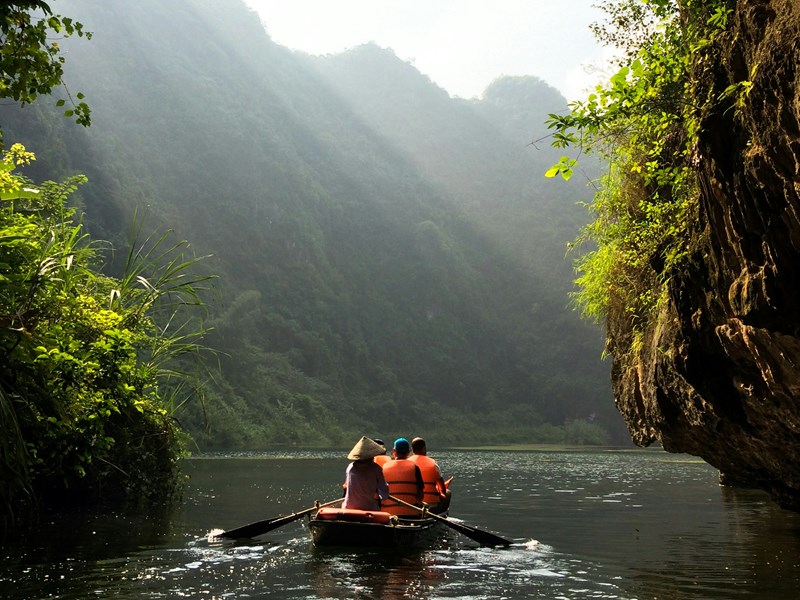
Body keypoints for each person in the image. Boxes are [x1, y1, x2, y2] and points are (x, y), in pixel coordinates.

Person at [342, 436, 389, 511]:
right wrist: (380, 496)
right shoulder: (376, 468)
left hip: (348, 507)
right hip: (368, 509)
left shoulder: (350, 467)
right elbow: (384, 494)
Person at [381, 437, 424, 516]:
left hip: (388, 515)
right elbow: (420, 496)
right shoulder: (415, 467)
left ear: (394, 452)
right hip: (410, 515)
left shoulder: (384, 467)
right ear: (408, 452)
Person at [410, 436, 451, 513]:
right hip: (431, 507)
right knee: (448, 493)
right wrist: (441, 493)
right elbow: (443, 489)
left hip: (411, 505)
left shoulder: (407, 463)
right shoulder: (433, 464)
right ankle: (442, 515)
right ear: (424, 449)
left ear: (412, 449)